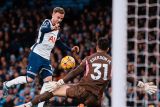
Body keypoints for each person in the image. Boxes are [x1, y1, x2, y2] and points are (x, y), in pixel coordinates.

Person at [16, 37, 157, 107]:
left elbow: (75, 72)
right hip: (96, 98)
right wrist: (141, 84)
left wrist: (60, 81)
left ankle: (28, 105)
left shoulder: (89, 58)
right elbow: (125, 76)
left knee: (51, 91)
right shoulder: (113, 61)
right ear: (108, 49)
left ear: (96, 47)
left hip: (81, 90)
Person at [3, 7, 79, 107]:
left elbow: (59, 43)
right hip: (36, 54)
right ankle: (7, 84)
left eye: (61, 18)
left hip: (46, 59)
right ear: (53, 14)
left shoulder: (57, 29)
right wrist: (53, 28)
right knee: (30, 79)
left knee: (48, 82)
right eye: (58, 17)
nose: (59, 20)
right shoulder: (47, 23)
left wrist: (70, 50)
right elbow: (43, 29)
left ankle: (40, 105)